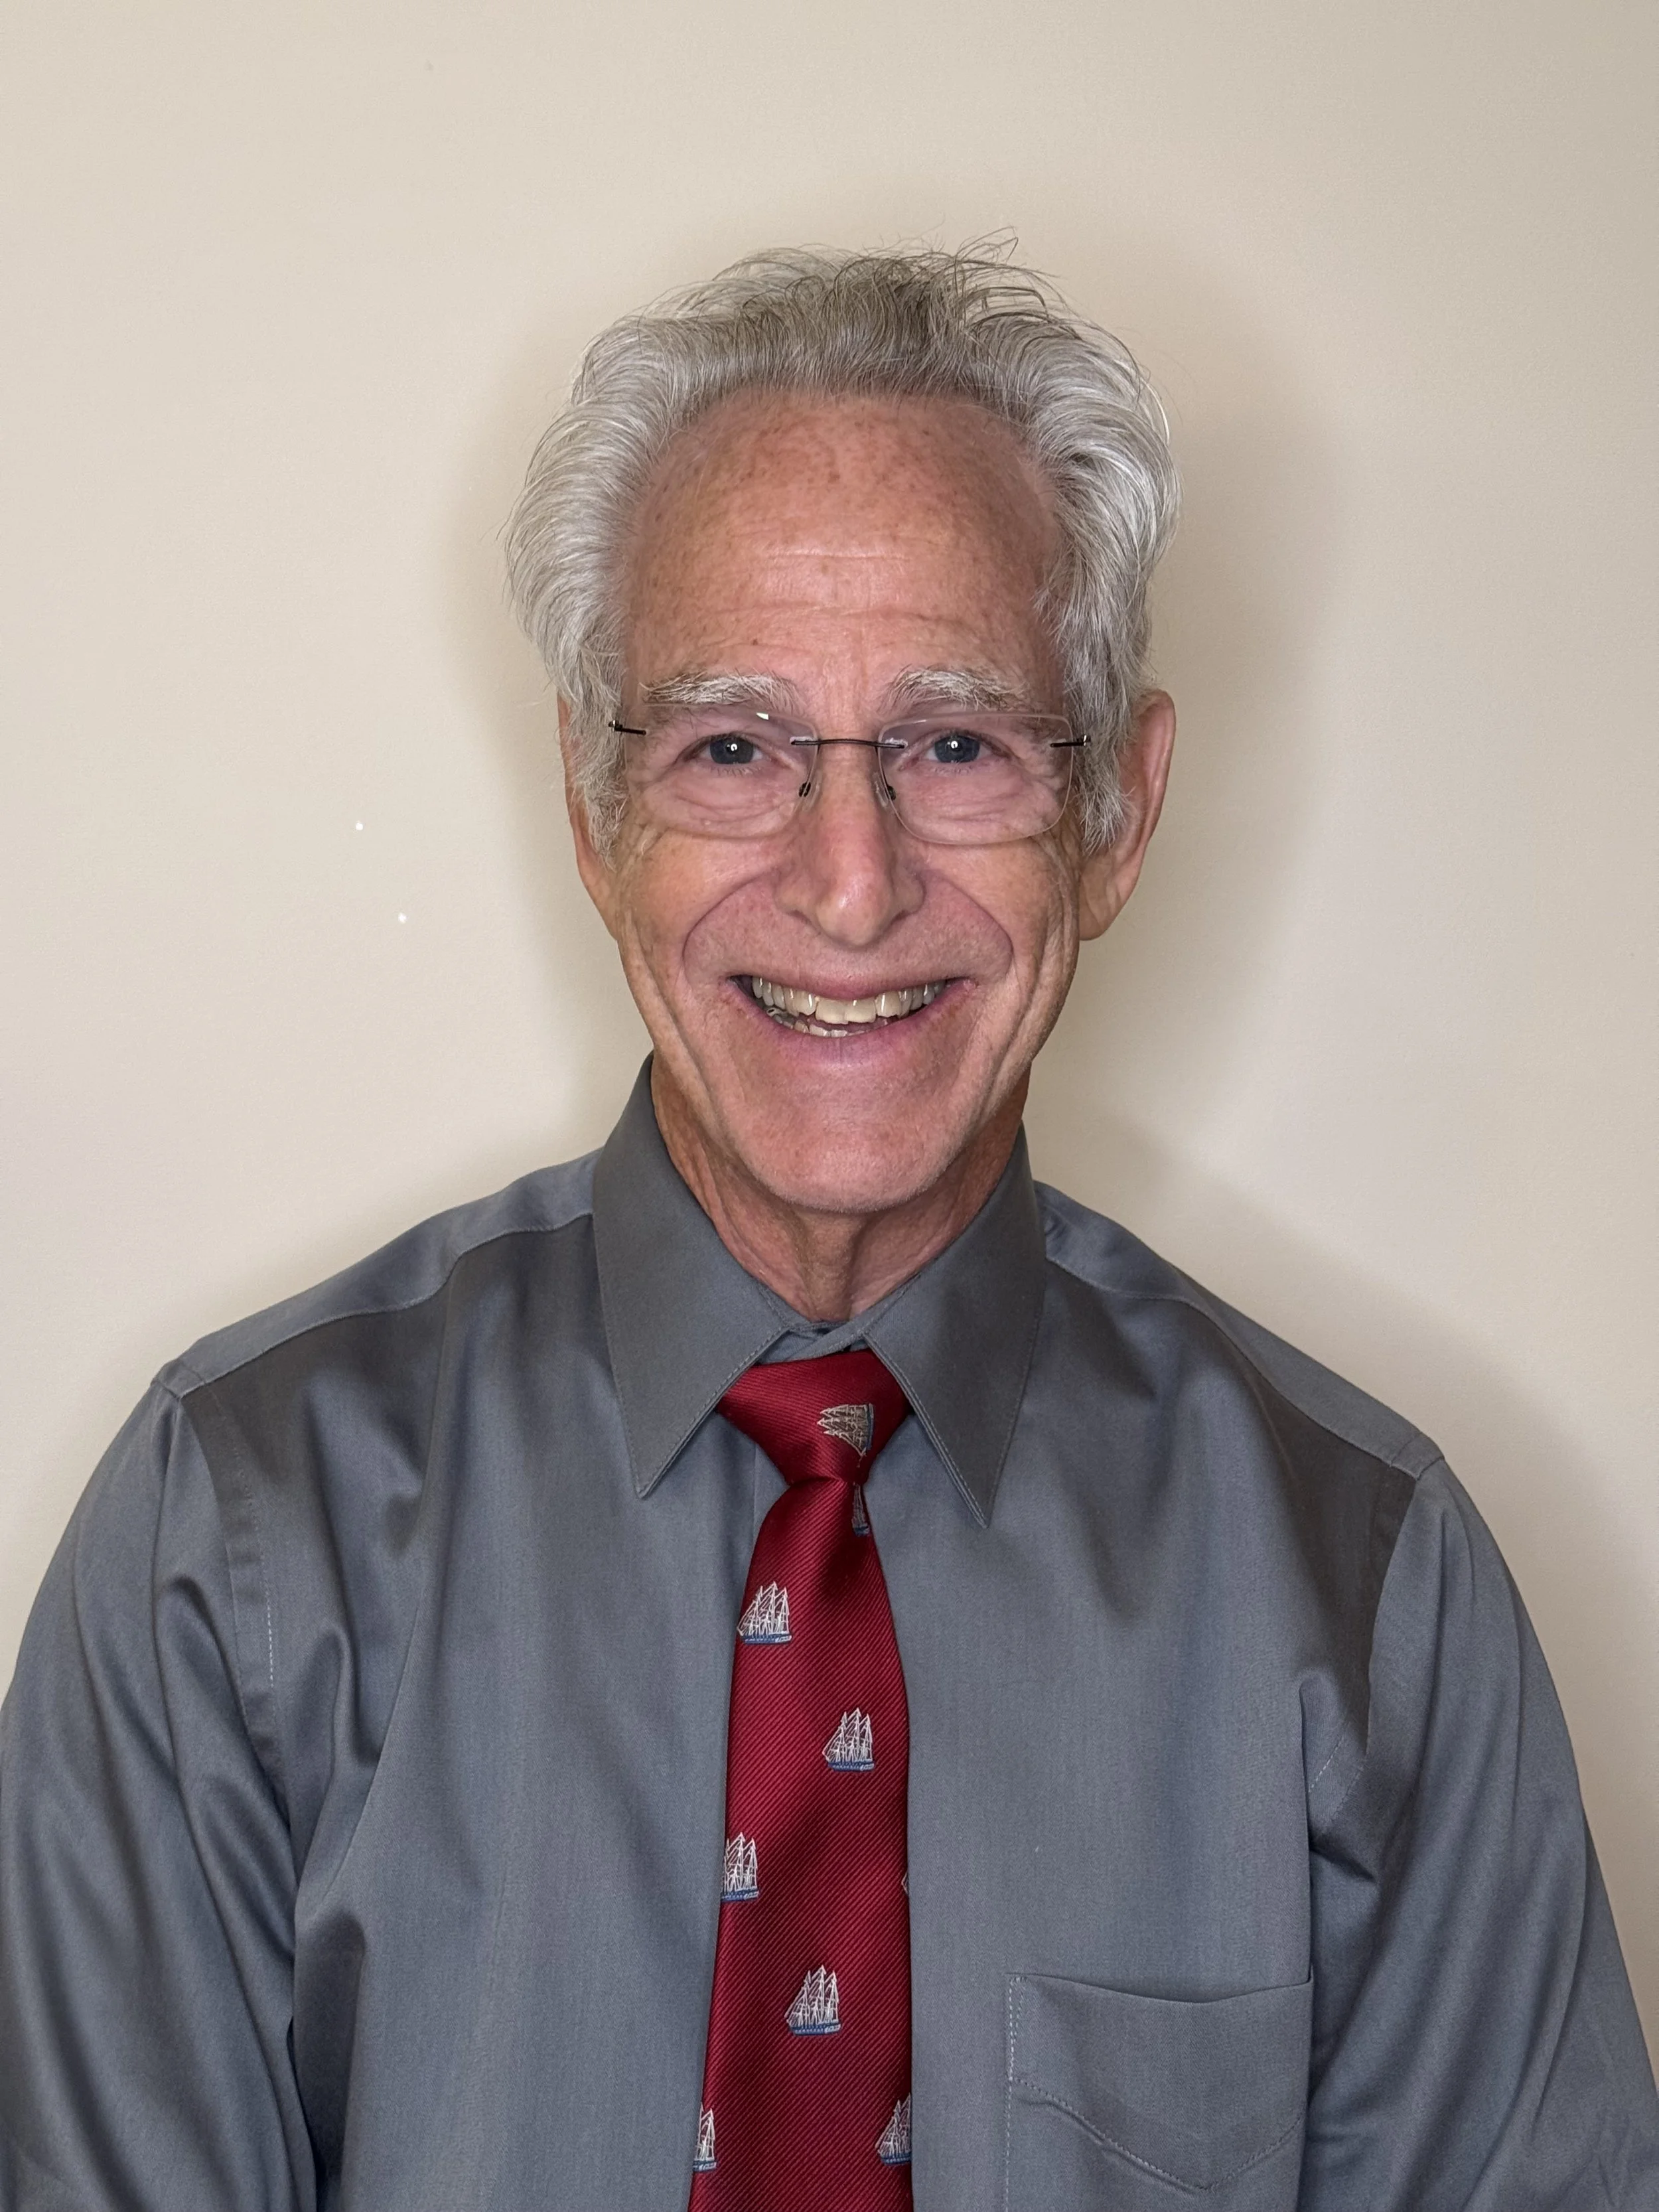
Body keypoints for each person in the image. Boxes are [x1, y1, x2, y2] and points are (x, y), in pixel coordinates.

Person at [1, 247, 1654, 2212]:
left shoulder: (1369, 1591)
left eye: (956, 744)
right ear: (590, 805)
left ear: (1115, 815)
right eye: (731, 747)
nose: (849, 885)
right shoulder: (236, 1541)